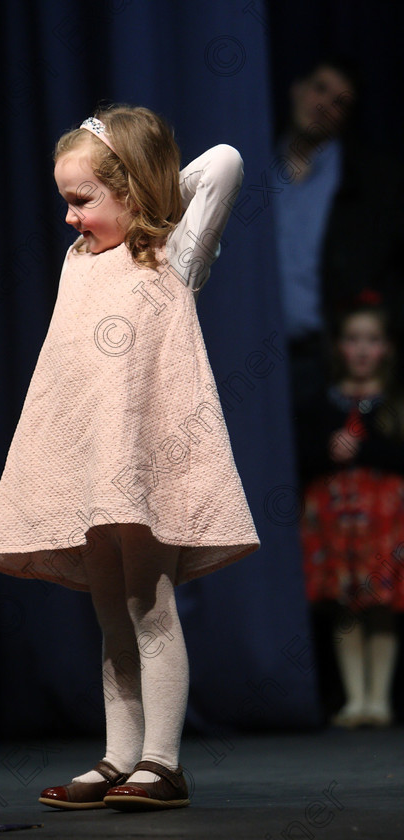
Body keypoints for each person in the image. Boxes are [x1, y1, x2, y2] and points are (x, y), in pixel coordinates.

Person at [0, 105, 260, 810]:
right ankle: (118, 756)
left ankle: (162, 762)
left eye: (82, 200)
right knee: (109, 610)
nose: (71, 217)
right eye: (66, 201)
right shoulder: (81, 260)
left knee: (147, 600)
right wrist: (114, 180)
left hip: (146, 461)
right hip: (91, 461)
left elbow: (222, 159)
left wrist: (150, 185)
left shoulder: (174, 251)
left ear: (130, 191)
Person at [274, 57, 404, 418]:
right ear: (296, 89)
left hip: (331, 364)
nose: (323, 106)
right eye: (319, 89)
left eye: (339, 102)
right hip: (254, 352)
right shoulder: (252, 167)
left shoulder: (372, 182)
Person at [299, 290, 404, 728]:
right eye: (353, 339)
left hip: (385, 516)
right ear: (340, 346)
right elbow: (300, 457)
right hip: (335, 515)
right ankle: (354, 698)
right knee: (345, 604)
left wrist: (367, 448)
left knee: (381, 602)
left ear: (387, 348)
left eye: (372, 339)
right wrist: (329, 451)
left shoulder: (396, 403)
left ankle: (379, 699)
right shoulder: (322, 402)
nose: (362, 349)